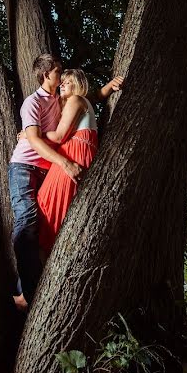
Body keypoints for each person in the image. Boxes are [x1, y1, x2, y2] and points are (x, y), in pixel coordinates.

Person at [21, 70, 123, 258]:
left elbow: (59, 136)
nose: (62, 84)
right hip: (79, 153)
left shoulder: (76, 99)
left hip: (74, 155)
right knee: (51, 203)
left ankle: (41, 264)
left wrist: (31, 133)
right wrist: (108, 87)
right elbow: (97, 96)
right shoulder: (80, 102)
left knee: (48, 204)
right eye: (62, 82)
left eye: (67, 82)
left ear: (77, 85)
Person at [8, 54, 81, 312]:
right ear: (45, 75)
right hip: (25, 168)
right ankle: (33, 293)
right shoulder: (32, 102)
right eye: (57, 71)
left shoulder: (61, 101)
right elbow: (36, 142)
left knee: (44, 227)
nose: (61, 76)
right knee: (27, 220)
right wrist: (64, 162)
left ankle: (20, 294)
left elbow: (85, 99)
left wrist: (109, 87)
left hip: (46, 172)